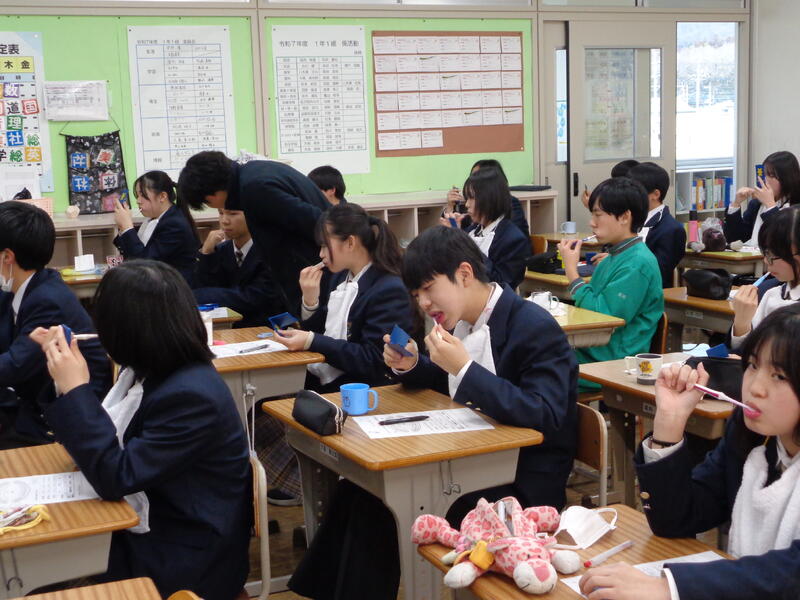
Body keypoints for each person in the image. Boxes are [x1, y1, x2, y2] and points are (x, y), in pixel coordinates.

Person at [30, 260, 252, 600]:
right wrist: (66, 384)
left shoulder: (192, 395)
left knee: (41, 564)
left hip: (185, 554)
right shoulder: (152, 369)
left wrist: (75, 390)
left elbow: (115, 476)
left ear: (126, 331)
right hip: (155, 525)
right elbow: (107, 445)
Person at [580, 303, 800, 600]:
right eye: (753, 365)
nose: (755, 388)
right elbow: (678, 519)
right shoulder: (753, 437)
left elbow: (792, 574)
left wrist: (670, 587)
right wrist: (669, 422)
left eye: (779, 376)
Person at [387, 226, 577, 516]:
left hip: (521, 479)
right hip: (471, 458)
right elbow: (448, 381)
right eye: (416, 295)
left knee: (406, 501)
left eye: (428, 288)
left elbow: (545, 415)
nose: (423, 303)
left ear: (464, 274)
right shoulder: (461, 321)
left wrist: (464, 369)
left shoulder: (533, 325)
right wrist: (412, 364)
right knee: (369, 496)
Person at [0, 201, 111, 447]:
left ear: (7, 257)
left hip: (66, 419)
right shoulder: (25, 286)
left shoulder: (47, 300)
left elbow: (14, 365)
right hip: (34, 398)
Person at [274, 203, 413, 393]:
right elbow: (323, 331)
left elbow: (374, 359)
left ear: (350, 243)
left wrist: (311, 341)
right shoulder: (340, 277)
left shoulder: (390, 289)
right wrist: (310, 301)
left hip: (368, 391)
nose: (321, 254)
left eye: (325, 245)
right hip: (330, 383)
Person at [177, 151, 330, 313]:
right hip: (315, 272)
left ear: (211, 196)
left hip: (319, 273)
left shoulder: (255, 188)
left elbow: (319, 222)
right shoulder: (254, 173)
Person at [559, 177, 663, 390]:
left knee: (535, 366)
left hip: (615, 360)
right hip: (594, 351)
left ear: (624, 217)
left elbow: (602, 318)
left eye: (598, 215)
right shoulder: (613, 256)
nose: (592, 223)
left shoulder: (637, 263)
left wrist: (572, 272)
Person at [193, 207, 284, 328]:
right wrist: (206, 253)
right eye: (221, 213)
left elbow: (255, 297)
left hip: (265, 328)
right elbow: (203, 286)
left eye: (233, 214)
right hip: (224, 327)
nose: (224, 221)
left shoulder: (271, 251)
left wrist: (205, 295)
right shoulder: (220, 249)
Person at [443, 167, 532, 290]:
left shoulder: (513, 239)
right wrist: (451, 236)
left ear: (489, 199)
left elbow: (500, 285)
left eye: (472, 198)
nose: (467, 204)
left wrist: (463, 241)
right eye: (466, 198)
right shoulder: (472, 229)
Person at [731, 205, 800, 348]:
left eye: (772, 254)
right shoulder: (768, 292)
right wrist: (742, 323)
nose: (766, 261)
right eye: (765, 253)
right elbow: (739, 353)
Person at [113, 171, 199, 285]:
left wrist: (127, 227)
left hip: (174, 287)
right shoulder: (153, 219)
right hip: (158, 284)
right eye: (137, 196)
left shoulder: (174, 224)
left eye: (143, 195)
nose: (138, 201)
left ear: (162, 196)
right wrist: (123, 227)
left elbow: (145, 263)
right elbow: (130, 252)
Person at [627, 162, 686, 288]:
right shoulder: (629, 218)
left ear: (655, 194)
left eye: (636, 191)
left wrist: (618, 261)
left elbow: (657, 271)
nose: (629, 195)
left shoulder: (672, 229)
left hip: (649, 292)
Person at [724, 151, 800, 246]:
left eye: (771, 175)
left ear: (787, 178)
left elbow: (784, 240)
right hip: (753, 255)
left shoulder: (796, 206)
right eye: (764, 175)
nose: (765, 180)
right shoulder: (756, 204)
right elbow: (735, 238)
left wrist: (770, 206)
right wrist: (735, 204)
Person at [444, 159, 530, 236]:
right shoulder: (477, 224)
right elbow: (459, 232)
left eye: (478, 177)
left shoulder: (511, 205)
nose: (473, 180)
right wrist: (450, 207)